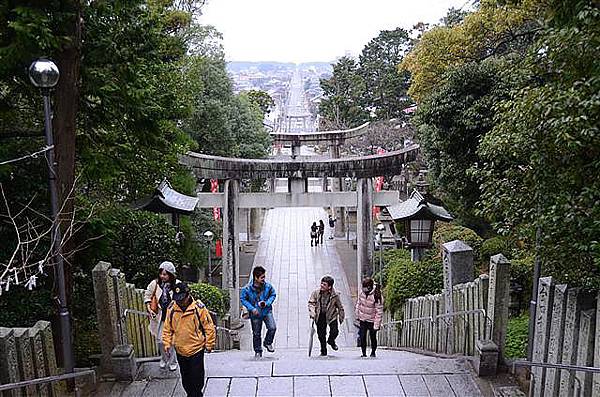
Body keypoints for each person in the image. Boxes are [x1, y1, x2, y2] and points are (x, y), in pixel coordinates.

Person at [162, 282, 216, 397]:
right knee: (185, 380)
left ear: (188, 295)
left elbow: (209, 326)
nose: (180, 302)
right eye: (178, 299)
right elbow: (167, 328)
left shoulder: (198, 308)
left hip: (196, 349)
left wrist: (209, 344)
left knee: (197, 380)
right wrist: (167, 344)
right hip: (180, 350)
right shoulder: (172, 309)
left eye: (182, 299)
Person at [144, 261, 179, 371]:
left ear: (171, 274)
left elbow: (184, 298)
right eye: (161, 274)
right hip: (160, 316)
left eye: (165, 274)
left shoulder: (177, 284)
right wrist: (149, 309)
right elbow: (147, 296)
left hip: (173, 317)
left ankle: (173, 361)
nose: (162, 276)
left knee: (172, 341)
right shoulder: (155, 284)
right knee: (160, 341)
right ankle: (164, 358)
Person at [240, 266, 277, 358]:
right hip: (255, 314)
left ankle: (267, 342)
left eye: (264, 277)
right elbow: (243, 299)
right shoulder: (247, 289)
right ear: (255, 277)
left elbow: (273, 294)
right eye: (262, 277)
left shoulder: (268, 286)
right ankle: (258, 350)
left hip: (266, 311)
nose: (264, 279)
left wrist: (267, 303)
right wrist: (252, 308)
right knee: (256, 333)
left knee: (272, 327)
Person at [308, 276, 345, 356]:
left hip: (331, 315)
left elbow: (340, 307)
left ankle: (331, 341)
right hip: (320, 315)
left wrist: (341, 317)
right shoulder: (316, 293)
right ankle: (323, 350)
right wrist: (312, 313)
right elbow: (311, 303)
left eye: (324, 284)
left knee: (335, 331)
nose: (321, 285)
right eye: (321, 283)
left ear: (329, 287)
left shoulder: (335, 295)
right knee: (321, 334)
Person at [355, 277, 384, 357]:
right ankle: (363, 353)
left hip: (372, 320)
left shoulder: (377, 295)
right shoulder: (362, 293)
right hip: (362, 319)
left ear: (369, 287)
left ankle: (373, 352)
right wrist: (357, 314)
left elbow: (379, 311)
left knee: (373, 337)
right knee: (362, 336)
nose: (363, 288)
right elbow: (358, 303)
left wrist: (376, 324)